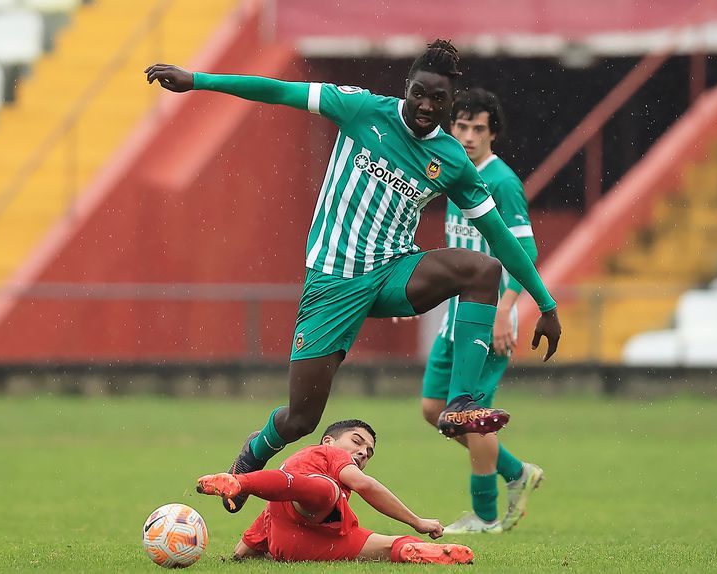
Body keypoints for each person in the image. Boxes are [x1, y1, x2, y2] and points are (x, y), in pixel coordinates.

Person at [145, 39, 561, 514]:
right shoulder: (361, 107)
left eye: (438, 99)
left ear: (449, 103)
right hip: (333, 280)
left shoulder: (452, 160)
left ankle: (459, 403)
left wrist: (544, 304)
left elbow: (502, 237)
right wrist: (198, 80)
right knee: (302, 417)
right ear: (406, 88)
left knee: (481, 269)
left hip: (393, 270)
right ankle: (249, 461)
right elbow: (278, 91)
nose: (426, 106)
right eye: (419, 93)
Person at [421, 88, 545, 534]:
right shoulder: (454, 172)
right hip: (455, 318)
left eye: (478, 128)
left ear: (493, 133)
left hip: (488, 321)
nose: (468, 136)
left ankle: (486, 515)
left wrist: (504, 309)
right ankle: (516, 473)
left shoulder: (503, 182)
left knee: (470, 417)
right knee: (436, 408)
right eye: (461, 126)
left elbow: (523, 251)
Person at [196, 419, 474, 564]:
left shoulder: (320, 479)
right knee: (325, 490)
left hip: (305, 541)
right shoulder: (326, 453)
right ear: (329, 440)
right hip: (309, 504)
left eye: (368, 452)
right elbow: (366, 484)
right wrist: (418, 521)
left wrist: (241, 552)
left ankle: (420, 551)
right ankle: (240, 481)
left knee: (387, 545)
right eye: (356, 441)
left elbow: (268, 518)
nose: (363, 452)